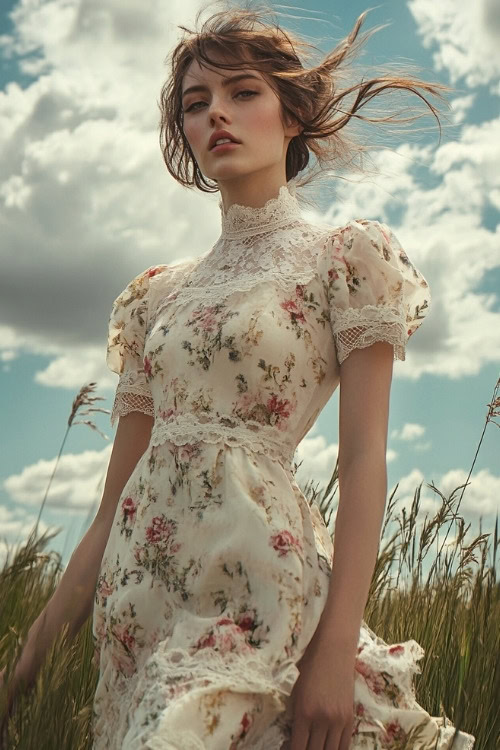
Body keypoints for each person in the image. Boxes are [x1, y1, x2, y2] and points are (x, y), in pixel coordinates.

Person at [1, 3, 476, 749]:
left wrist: (331, 652)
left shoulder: (345, 259)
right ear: (186, 137)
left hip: (257, 597)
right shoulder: (155, 294)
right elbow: (109, 508)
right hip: (140, 610)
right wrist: (26, 664)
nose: (217, 113)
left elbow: (362, 462)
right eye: (197, 104)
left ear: (292, 116)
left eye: (242, 92)